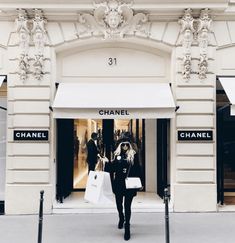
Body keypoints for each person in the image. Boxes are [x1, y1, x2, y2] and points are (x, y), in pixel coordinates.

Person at [105, 140, 142, 241]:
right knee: (118, 203)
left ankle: (127, 227)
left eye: (127, 144)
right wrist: (107, 163)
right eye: (123, 144)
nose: (125, 146)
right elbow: (112, 169)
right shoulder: (117, 156)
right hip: (119, 184)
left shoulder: (133, 155)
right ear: (120, 146)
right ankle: (121, 217)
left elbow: (138, 168)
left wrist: (140, 182)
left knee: (127, 206)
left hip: (129, 184)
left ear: (129, 145)